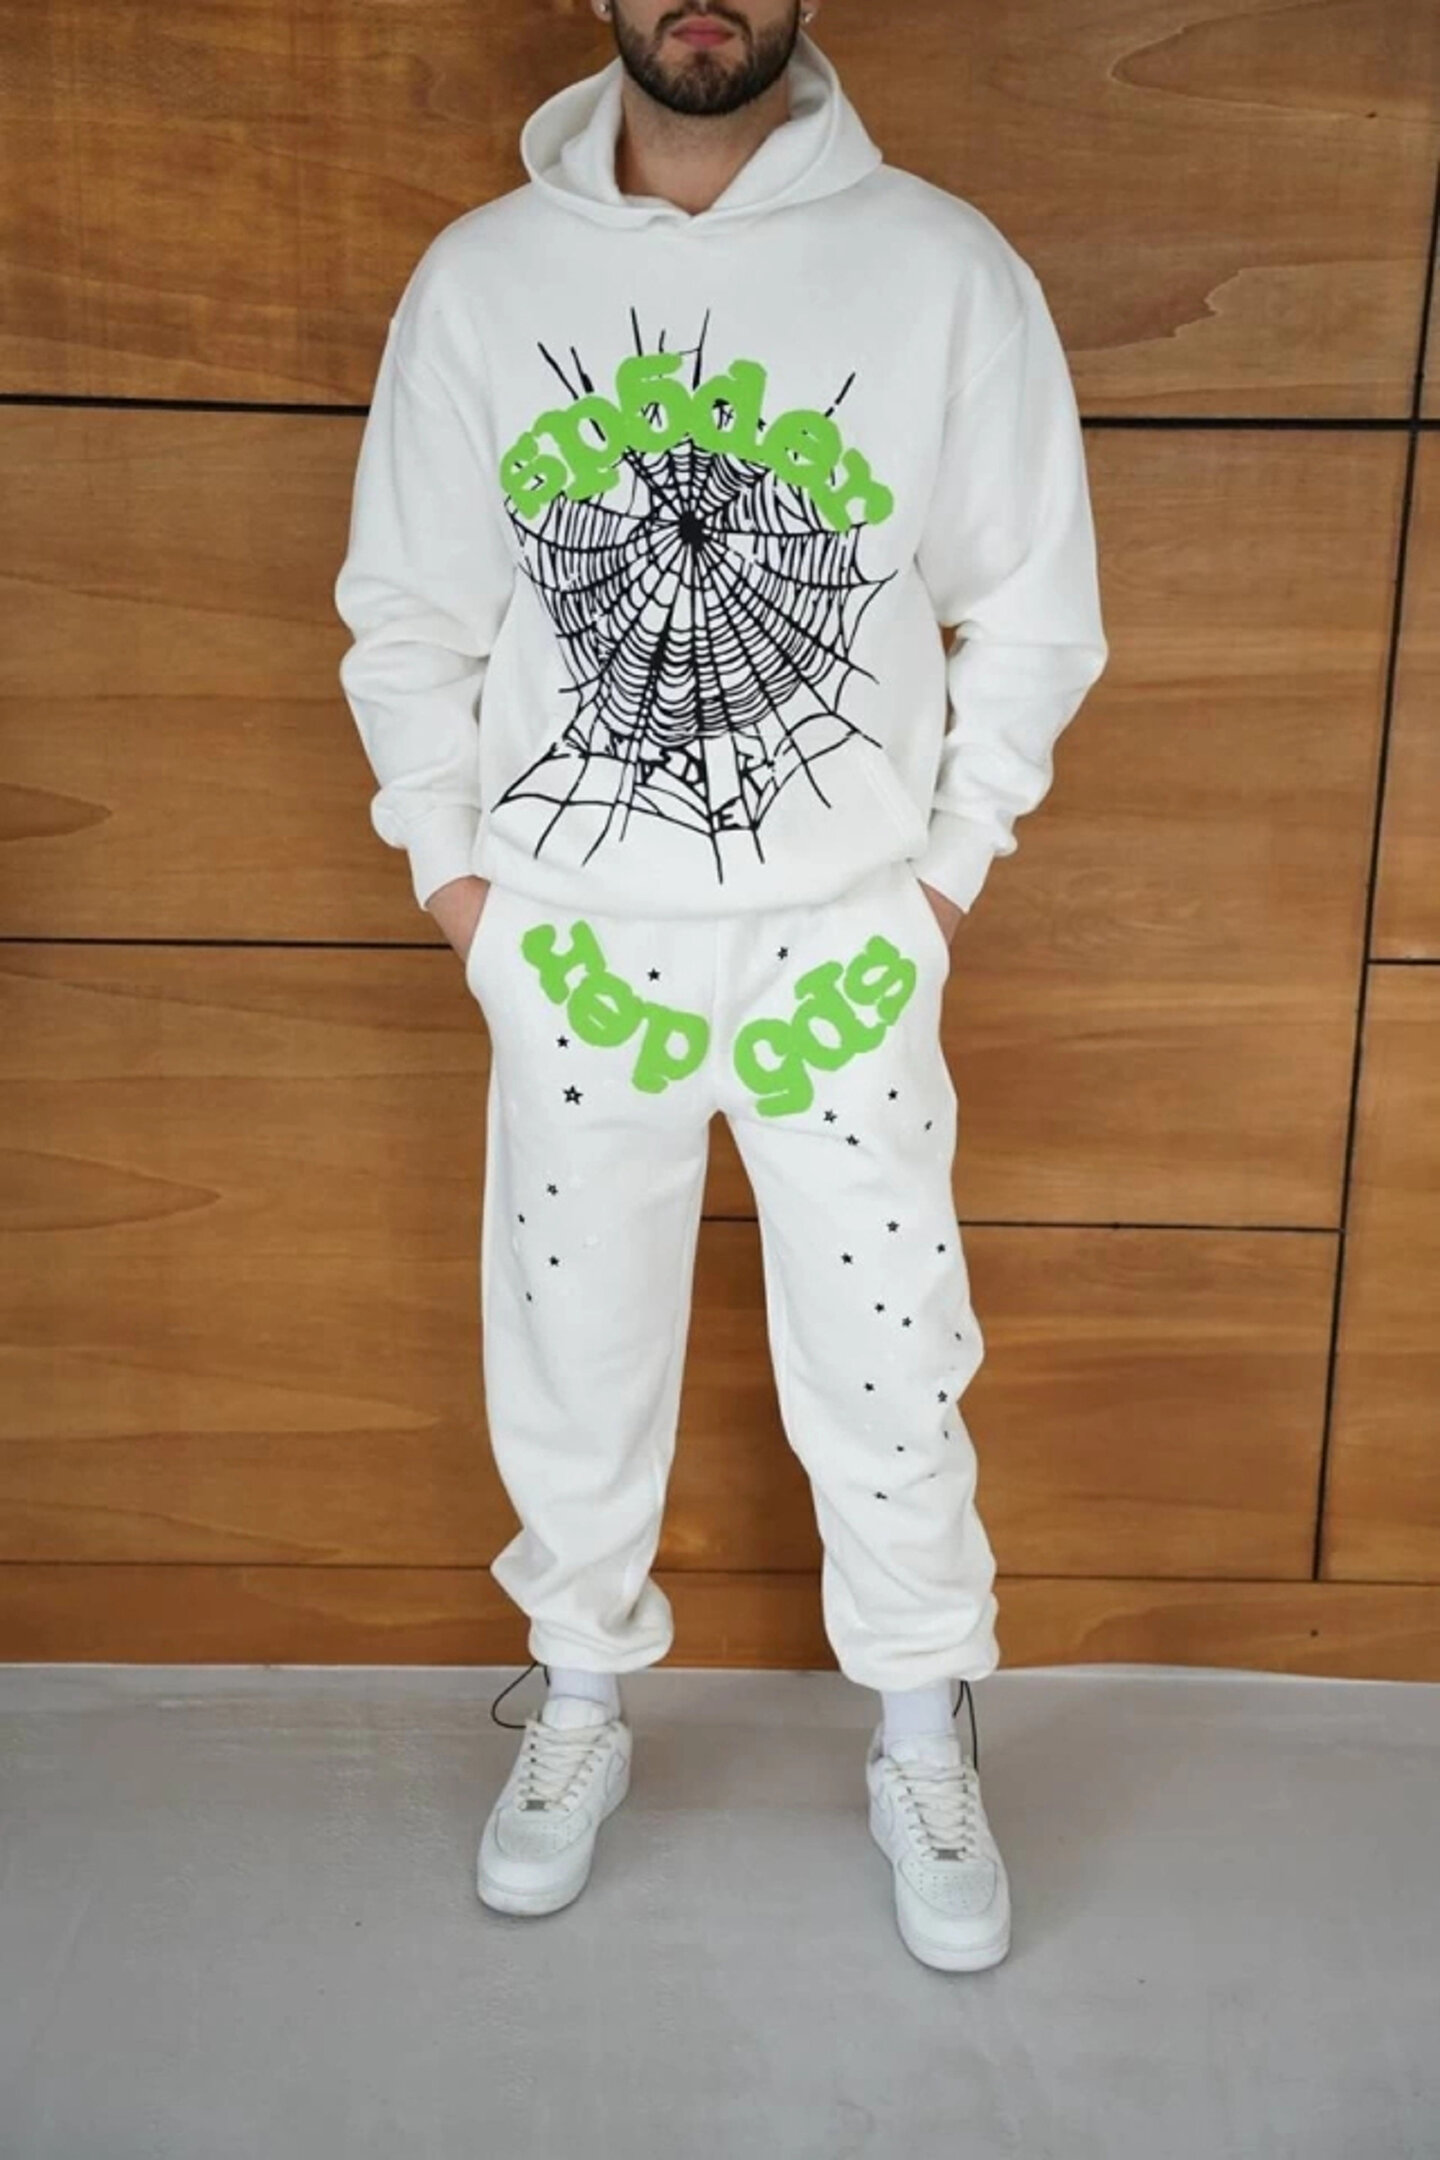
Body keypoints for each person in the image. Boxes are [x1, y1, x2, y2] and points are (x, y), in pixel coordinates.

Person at [333, 0, 1107, 1973]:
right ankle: (579, 1696)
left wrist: (940, 887)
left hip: (844, 937)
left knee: (891, 1343)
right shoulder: (483, 282)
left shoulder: (942, 271)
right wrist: (467, 901)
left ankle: (923, 1730)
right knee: (572, 1338)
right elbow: (409, 616)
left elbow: (1035, 607)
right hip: (572, 937)